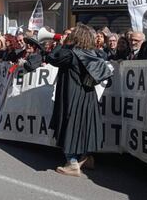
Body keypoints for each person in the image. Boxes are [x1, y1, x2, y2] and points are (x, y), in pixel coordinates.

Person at [45, 24, 113, 177]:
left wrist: (61, 44)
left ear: (76, 37)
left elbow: (51, 58)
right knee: (85, 126)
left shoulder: (70, 54)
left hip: (72, 96)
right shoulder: (92, 53)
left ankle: (72, 163)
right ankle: (86, 157)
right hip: (88, 96)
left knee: (70, 126)